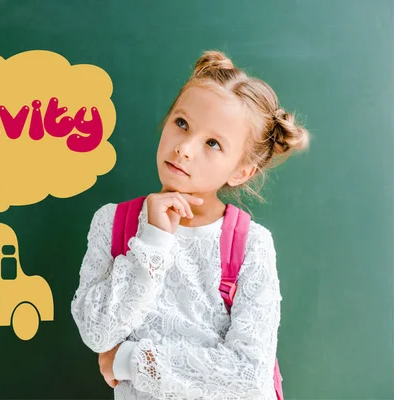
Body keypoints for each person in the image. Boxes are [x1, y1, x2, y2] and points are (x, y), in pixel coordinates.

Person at [70, 50, 311, 399]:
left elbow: (247, 373)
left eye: (212, 143)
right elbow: (96, 332)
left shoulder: (250, 244)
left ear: (241, 171)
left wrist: (129, 360)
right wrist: (153, 239)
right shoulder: (113, 223)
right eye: (181, 124)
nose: (184, 148)